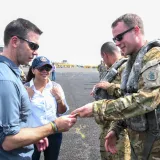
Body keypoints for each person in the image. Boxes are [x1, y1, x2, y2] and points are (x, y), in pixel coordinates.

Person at [72, 13, 160, 159]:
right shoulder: (133, 61)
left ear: (136, 30)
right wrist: (116, 128)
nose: (117, 43)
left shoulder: (154, 57)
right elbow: (128, 96)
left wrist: (98, 108)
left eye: (119, 37)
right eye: (114, 39)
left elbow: (146, 100)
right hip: (139, 144)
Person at [0, 18, 77, 160]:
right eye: (33, 46)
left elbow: (17, 123)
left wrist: (35, 136)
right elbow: (8, 141)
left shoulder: (12, 75)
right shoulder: (7, 80)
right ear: (15, 41)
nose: (36, 52)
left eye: (48, 68)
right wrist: (54, 127)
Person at [24, 56, 69, 160]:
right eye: (41, 69)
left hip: (53, 132)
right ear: (33, 70)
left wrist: (59, 99)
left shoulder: (56, 87)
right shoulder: (25, 88)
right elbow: (19, 114)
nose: (45, 71)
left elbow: (61, 111)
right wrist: (27, 98)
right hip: (32, 133)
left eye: (48, 68)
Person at [90, 42, 129, 160]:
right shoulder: (112, 69)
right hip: (106, 126)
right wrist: (99, 89)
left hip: (120, 128)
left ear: (105, 55)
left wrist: (110, 87)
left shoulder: (126, 67)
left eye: (103, 58)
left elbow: (132, 96)